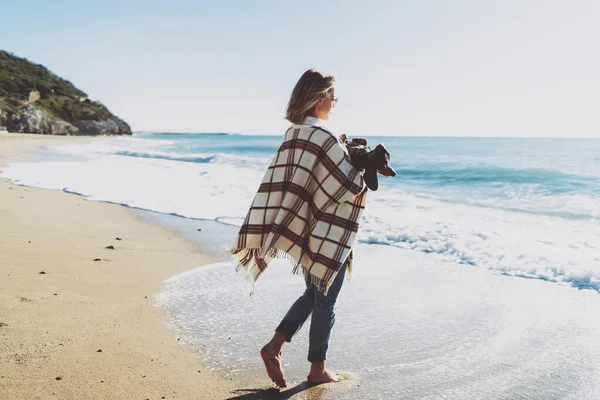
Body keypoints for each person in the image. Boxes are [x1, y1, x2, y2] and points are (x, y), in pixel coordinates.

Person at [230, 69, 369, 388]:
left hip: (306, 227)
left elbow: (303, 180)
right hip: (327, 234)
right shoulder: (324, 136)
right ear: (320, 98)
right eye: (333, 96)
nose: (336, 102)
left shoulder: (294, 134)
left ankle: (274, 347)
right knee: (326, 300)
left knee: (313, 292)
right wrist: (360, 163)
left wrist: (345, 153)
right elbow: (347, 186)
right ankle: (317, 370)